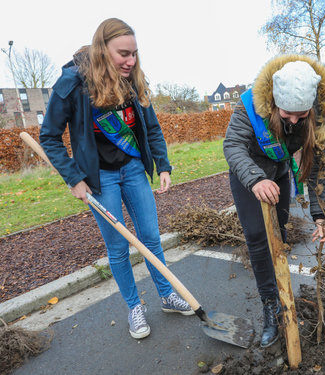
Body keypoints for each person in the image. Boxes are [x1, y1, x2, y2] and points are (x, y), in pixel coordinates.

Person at [40, 18, 193, 340]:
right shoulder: (71, 83)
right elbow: (49, 137)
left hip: (134, 169)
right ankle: (134, 308)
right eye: (123, 53)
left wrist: (163, 164)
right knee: (118, 247)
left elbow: (151, 128)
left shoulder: (133, 80)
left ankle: (167, 295)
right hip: (99, 180)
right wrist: (73, 178)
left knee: (151, 238)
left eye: (135, 53)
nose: (131, 61)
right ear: (102, 49)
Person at [223, 55, 325, 348]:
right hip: (249, 174)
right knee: (259, 238)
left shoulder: (319, 114)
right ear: (274, 102)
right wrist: (255, 179)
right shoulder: (249, 106)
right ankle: (269, 306)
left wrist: (320, 214)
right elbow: (233, 145)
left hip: (279, 172)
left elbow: (317, 167)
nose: (294, 121)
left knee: (281, 235)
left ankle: (283, 296)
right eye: (287, 114)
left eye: (301, 116)